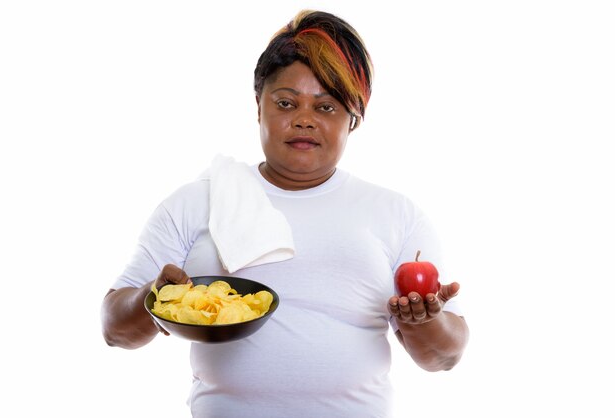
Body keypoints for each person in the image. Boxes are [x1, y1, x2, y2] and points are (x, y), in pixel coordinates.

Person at [101, 9, 469, 418]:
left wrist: (422, 320)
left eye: (326, 107)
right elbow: (115, 331)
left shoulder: (396, 214)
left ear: (354, 120)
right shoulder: (197, 203)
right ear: (259, 107)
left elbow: (442, 358)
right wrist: (155, 298)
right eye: (286, 102)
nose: (304, 120)